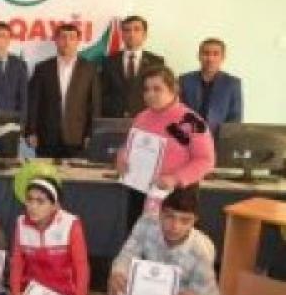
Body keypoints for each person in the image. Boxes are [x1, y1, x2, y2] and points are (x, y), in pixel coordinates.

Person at [117, 65, 215, 226]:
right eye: (146, 89)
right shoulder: (141, 117)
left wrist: (175, 179)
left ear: (173, 90)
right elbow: (128, 146)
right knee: (138, 237)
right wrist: (122, 157)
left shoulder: (191, 120)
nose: (150, 94)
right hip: (140, 193)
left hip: (176, 197)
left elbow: (206, 161)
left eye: (157, 89)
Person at [8, 178, 90, 295]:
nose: (33, 206)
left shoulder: (70, 224)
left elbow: (81, 266)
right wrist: (15, 294)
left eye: (40, 201)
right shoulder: (21, 223)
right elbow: (17, 263)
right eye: (30, 199)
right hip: (34, 293)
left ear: (55, 205)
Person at [26, 23, 100, 158]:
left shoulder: (89, 70)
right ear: (56, 40)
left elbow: (94, 105)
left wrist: (91, 134)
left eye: (72, 37)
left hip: (78, 139)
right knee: (46, 171)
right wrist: (31, 131)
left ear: (78, 41)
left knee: (75, 172)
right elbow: (33, 103)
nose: (67, 42)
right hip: (46, 138)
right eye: (63, 37)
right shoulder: (42, 68)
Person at [100, 16, 164, 118]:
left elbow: (160, 93)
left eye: (136, 29)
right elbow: (102, 94)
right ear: (122, 35)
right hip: (115, 120)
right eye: (127, 30)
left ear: (144, 35)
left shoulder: (156, 62)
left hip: (146, 118)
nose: (131, 34)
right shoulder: (109, 62)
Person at [179, 38, 242, 137]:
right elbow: (178, 110)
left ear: (223, 57)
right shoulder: (185, 80)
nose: (210, 59)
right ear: (199, 56)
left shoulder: (232, 84)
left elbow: (235, 118)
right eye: (206, 53)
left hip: (219, 139)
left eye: (215, 54)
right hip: (188, 137)